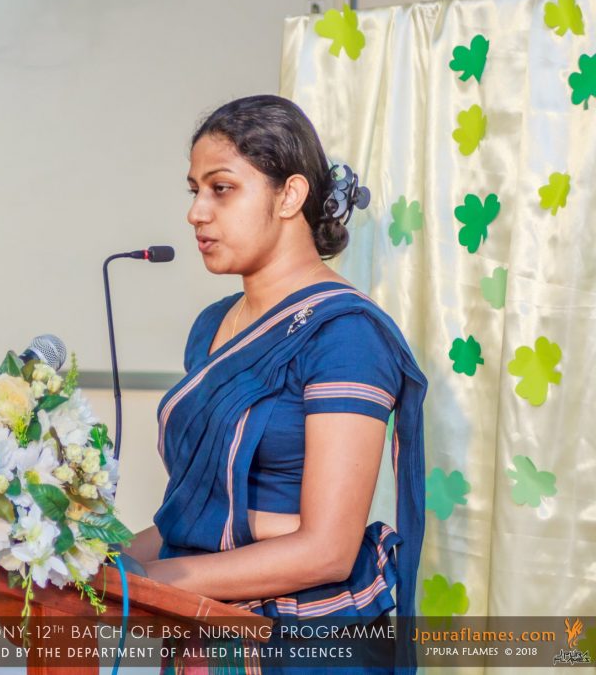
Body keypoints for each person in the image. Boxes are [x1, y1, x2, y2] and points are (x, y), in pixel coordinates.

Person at [122, 95, 428, 674]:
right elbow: (194, 517)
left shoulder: (345, 336)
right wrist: (86, 560)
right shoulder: (212, 326)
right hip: (204, 637)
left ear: (289, 196)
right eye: (194, 190)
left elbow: (327, 550)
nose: (196, 213)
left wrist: (144, 582)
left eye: (221, 188)